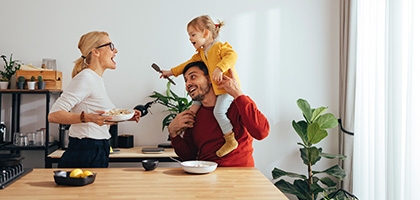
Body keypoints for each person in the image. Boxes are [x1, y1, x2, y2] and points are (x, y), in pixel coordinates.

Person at [48, 31, 141, 168]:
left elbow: (99, 116)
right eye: (110, 46)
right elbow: (54, 115)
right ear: (96, 52)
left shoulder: (95, 79)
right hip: (85, 150)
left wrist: (126, 117)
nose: (115, 50)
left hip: (97, 148)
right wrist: (88, 118)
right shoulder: (86, 78)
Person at [161, 15, 241, 157]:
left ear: (205, 33)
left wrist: (220, 68)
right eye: (189, 35)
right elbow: (186, 65)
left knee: (219, 112)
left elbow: (232, 55)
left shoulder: (219, 47)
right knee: (193, 108)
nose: (190, 39)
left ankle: (230, 139)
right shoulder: (202, 53)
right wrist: (171, 72)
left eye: (193, 35)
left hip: (225, 90)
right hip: (215, 91)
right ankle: (185, 130)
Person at [168, 61, 269, 167]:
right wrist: (173, 133)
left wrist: (237, 93)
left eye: (193, 77)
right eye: (185, 81)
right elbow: (190, 157)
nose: (188, 84)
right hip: (207, 176)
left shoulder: (238, 104)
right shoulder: (193, 114)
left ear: (210, 78)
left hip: (240, 177)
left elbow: (261, 133)